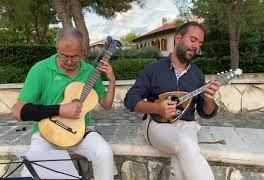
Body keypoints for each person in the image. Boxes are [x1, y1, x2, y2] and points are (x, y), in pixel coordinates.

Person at [12, 27, 115, 180]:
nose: (68, 61)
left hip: (79, 132)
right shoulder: (40, 69)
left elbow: (106, 105)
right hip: (47, 132)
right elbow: (17, 111)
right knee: (32, 170)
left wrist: (112, 79)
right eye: (63, 56)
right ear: (57, 49)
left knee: (104, 152)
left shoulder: (90, 71)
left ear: (82, 51)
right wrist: (60, 110)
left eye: (74, 57)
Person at [124, 21, 221, 180]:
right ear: (178, 38)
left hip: (187, 125)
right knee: (186, 144)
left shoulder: (197, 74)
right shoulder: (153, 69)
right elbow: (130, 100)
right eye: (193, 39)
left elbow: (205, 112)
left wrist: (209, 99)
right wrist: (158, 108)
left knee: (182, 159)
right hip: (157, 124)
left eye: (200, 42)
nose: (197, 46)